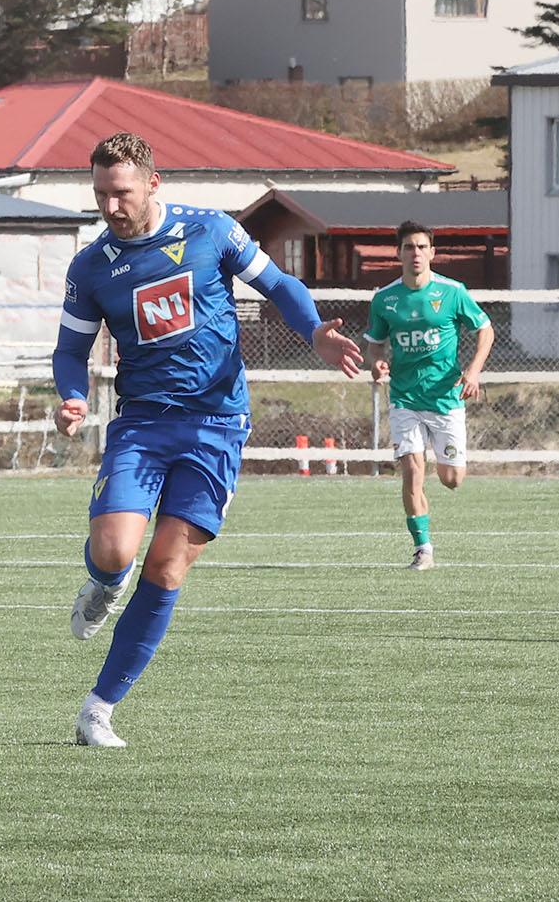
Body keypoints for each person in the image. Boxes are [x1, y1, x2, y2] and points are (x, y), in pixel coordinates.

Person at [53, 132, 363, 747]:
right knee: (114, 553)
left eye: (121, 193)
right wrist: (72, 396)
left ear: (153, 183)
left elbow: (279, 285)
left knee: (167, 566)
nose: (110, 207)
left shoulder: (211, 231)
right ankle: (105, 583)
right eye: (100, 194)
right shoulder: (91, 267)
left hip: (217, 425)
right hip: (143, 422)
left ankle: (99, 708)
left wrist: (314, 333)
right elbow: (70, 349)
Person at [365, 221, 495, 572]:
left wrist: (473, 371)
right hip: (405, 398)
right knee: (412, 471)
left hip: (446, 398)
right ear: (399, 253)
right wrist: (376, 362)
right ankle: (423, 550)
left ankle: (444, 461)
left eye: (422, 247)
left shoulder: (452, 292)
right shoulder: (385, 299)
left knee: (452, 480)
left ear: (432, 253)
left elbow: (485, 329)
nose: (416, 253)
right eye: (409, 247)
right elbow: (375, 343)